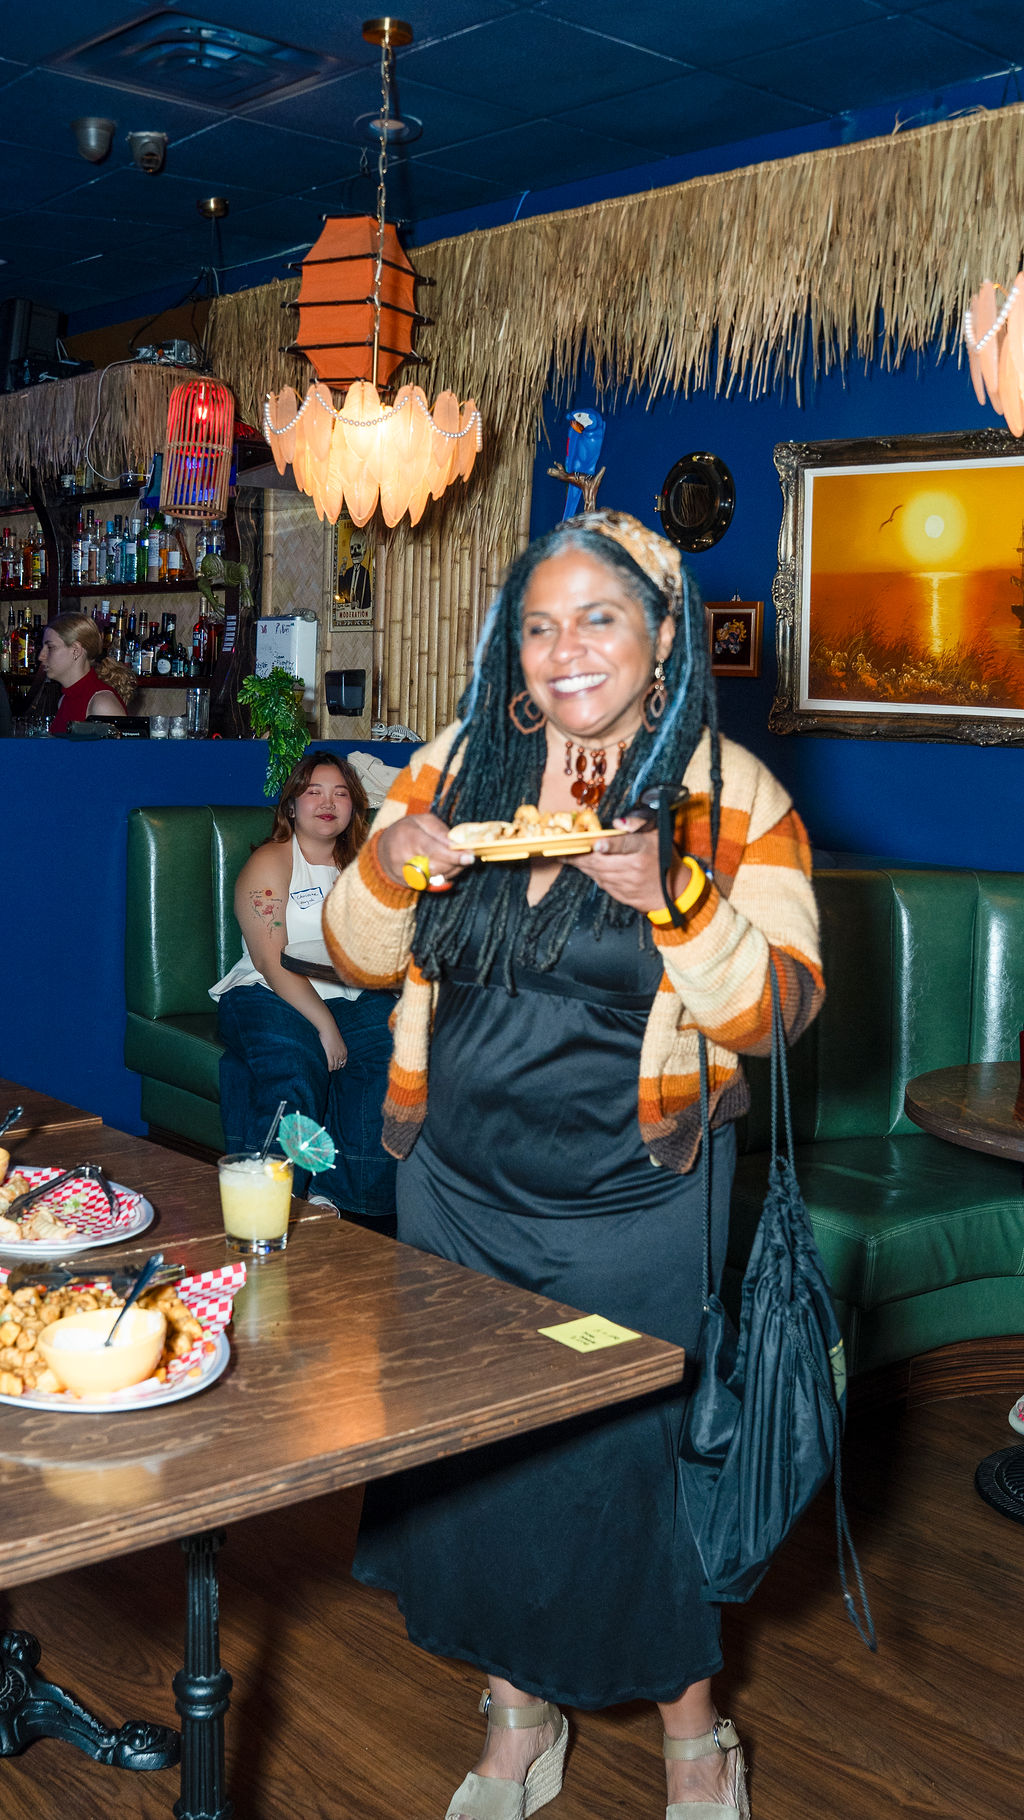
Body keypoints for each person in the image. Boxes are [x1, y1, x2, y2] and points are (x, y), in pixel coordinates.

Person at [322, 510, 824, 1819]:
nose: (564, 650)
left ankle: (695, 1738)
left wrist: (673, 897)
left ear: (662, 638)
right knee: (478, 1458)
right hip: (455, 1184)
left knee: (627, 1469)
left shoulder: (732, 795)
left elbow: (778, 1011)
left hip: (633, 1198)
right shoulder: (456, 763)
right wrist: (386, 862)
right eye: (538, 625)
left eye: (597, 618)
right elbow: (358, 951)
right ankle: (516, 1716)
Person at [211, 751, 397, 1226]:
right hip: (265, 993)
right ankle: (267, 1208)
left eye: (340, 793)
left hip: (346, 995)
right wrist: (325, 1027)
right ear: (291, 805)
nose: (327, 803)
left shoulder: (362, 868)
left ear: (354, 806)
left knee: (395, 1047)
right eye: (314, 791)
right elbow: (270, 961)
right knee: (297, 1064)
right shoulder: (271, 860)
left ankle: (352, 1203)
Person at [41, 611, 135, 733]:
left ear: (76, 650)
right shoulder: (64, 699)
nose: (41, 656)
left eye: (50, 647)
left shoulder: (102, 703)